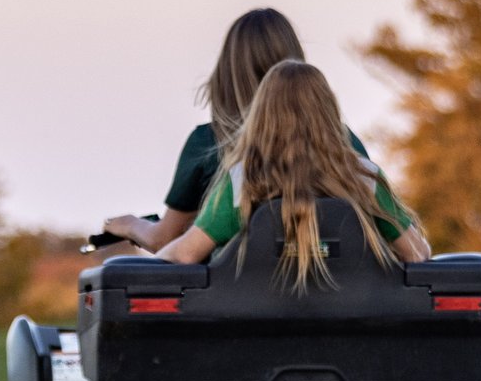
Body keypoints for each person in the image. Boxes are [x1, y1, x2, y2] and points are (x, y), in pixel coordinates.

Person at [101, 8, 373, 252]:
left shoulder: (209, 145)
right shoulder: (343, 143)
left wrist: (130, 225)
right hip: (342, 299)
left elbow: (165, 241)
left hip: (237, 301)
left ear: (228, 72)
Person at [146, 60, 430, 282]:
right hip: (354, 331)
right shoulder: (363, 178)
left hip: (254, 331)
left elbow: (184, 255)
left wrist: (145, 263)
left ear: (262, 115)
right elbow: (418, 254)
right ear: (328, 110)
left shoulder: (243, 183)